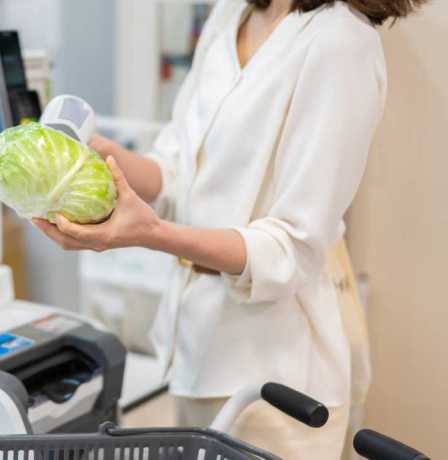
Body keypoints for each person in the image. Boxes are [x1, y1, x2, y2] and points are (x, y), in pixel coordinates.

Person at [32, 0, 427, 458]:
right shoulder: (230, 16)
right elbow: (178, 169)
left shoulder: (341, 42)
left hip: (277, 383)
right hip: (196, 351)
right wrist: (95, 156)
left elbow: (289, 249)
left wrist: (149, 234)